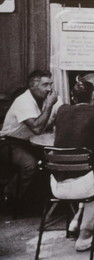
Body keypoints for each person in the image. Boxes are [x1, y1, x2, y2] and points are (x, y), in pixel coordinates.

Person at [52, 80, 94, 252]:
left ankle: (76, 220)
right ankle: (85, 234)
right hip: (84, 184)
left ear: (72, 97)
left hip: (56, 183)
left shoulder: (61, 110)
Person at [0, 70, 62, 202]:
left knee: (53, 159)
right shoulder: (23, 101)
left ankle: (44, 199)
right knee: (30, 165)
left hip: (31, 142)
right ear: (32, 86)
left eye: (50, 84)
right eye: (45, 85)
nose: (49, 89)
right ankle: (8, 197)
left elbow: (62, 112)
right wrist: (50, 105)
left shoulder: (46, 98)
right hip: (9, 143)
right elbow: (37, 128)